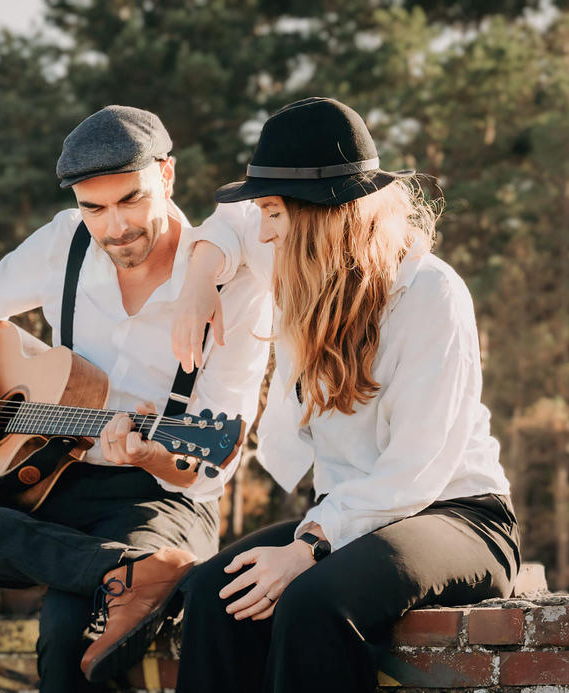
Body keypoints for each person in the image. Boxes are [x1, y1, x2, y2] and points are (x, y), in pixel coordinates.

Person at [0, 105, 271, 692]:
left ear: (167, 176)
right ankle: (115, 571)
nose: (115, 227)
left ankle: (129, 571)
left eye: (130, 200)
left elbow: (212, 459)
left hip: (159, 499)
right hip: (50, 479)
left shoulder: (232, 285)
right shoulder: (65, 243)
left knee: (68, 641)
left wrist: (145, 452)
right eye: (94, 208)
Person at [170, 97, 521, 693]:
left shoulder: (431, 295)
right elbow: (228, 225)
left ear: (321, 216)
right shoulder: (300, 260)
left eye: (273, 213)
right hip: (349, 520)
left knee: (315, 603)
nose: (263, 231)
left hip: (457, 515)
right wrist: (198, 279)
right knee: (213, 592)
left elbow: (415, 471)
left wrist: (307, 545)